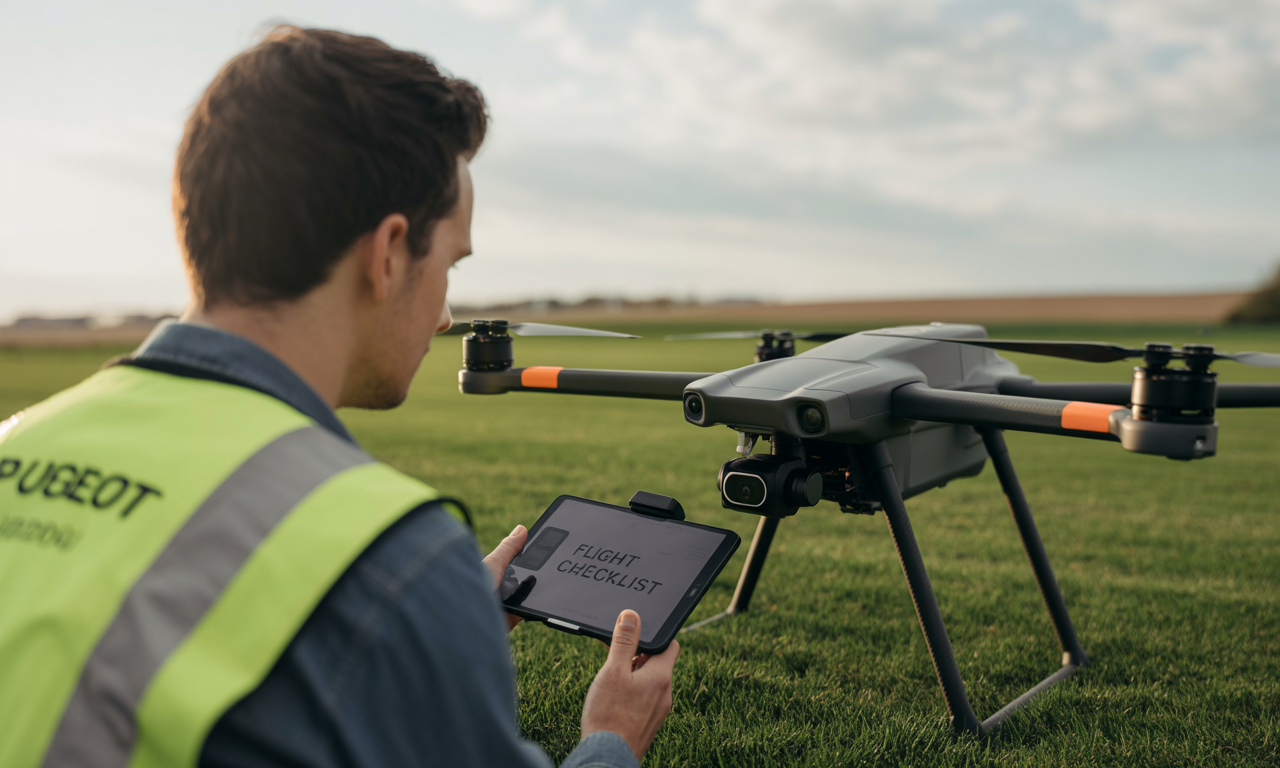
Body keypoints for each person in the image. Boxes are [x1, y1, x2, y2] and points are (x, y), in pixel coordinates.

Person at [0, 26, 678, 768]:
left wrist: (430, 615)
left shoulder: (18, 438)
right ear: (388, 254)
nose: (446, 314)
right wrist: (611, 739)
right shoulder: (389, 559)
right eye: (449, 264)